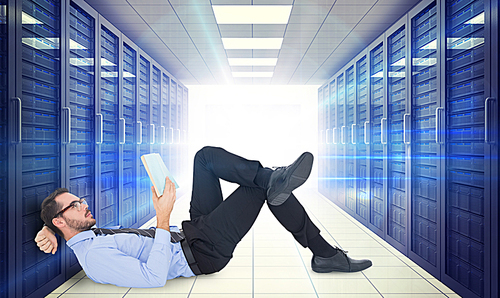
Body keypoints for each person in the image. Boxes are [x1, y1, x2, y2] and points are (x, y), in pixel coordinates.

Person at [35, 146, 372, 288]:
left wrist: (48, 229)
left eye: (80, 200)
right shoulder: (94, 260)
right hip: (202, 251)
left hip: (192, 231)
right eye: (76, 205)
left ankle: (272, 179)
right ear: (63, 220)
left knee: (205, 157)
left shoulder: (86, 237)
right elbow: (152, 277)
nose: (84, 204)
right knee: (264, 190)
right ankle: (325, 254)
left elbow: (65, 226)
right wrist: (163, 218)